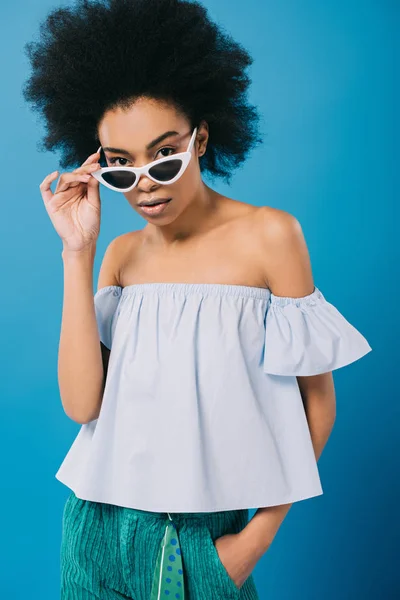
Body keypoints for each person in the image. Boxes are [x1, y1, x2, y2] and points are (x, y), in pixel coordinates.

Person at [22, 0, 372, 598]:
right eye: (120, 167)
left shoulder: (270, 236)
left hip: (201, 542)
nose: (146, 183)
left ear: (202, 137)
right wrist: (77, 253)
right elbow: (82, 406)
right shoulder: (121, 255)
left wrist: (253, 540)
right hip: (95, 528)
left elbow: (317, 409)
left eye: (164, 154)